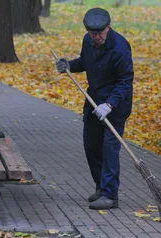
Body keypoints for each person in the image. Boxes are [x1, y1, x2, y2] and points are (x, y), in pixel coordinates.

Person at [55, 7, 134, 210]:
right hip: (93, 101)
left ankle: (110, 195)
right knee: (91, 146)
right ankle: (101, 187)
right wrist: (69, 66)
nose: (96, 38)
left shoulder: (120, 48)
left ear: (108, 28)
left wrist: (109, 105)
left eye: (100, 33)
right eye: (93, 34)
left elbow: (125, 82)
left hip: (115, 106)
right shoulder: (88, 41)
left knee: (109, 149)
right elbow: (85, 61)